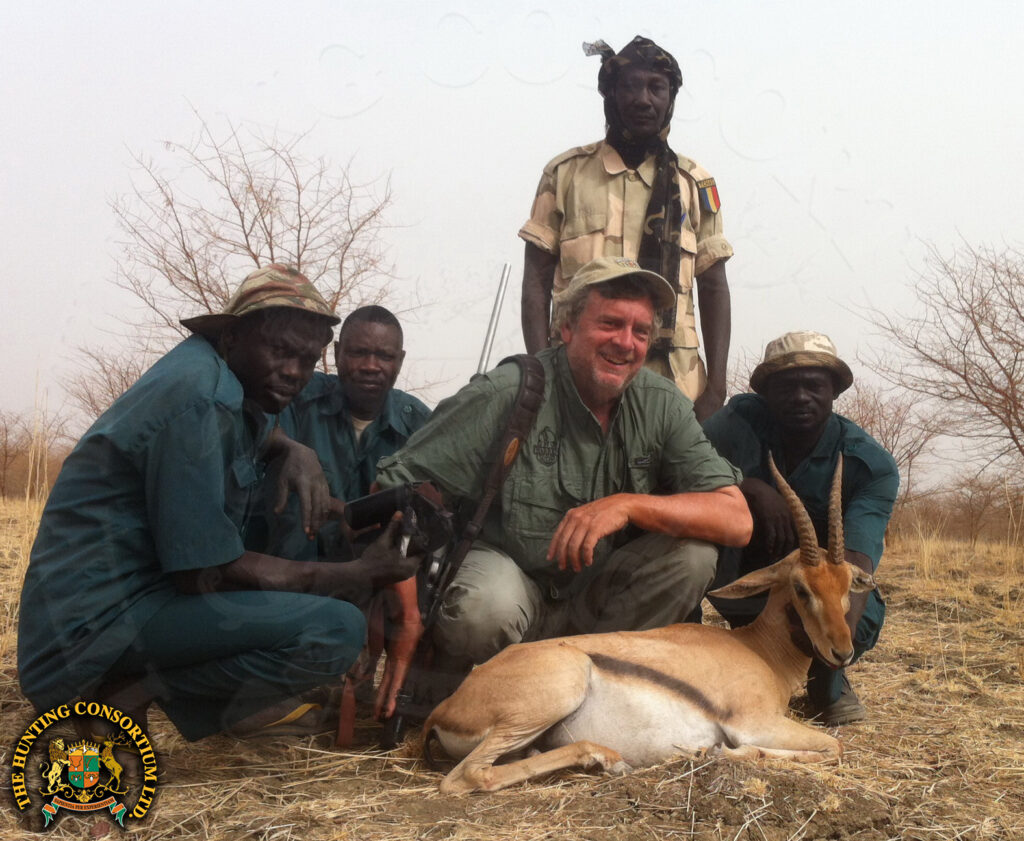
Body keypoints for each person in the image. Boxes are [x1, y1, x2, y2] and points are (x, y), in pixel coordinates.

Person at [17, 265, 419, 741]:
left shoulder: (220, 383)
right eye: (281, 351)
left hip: (120, 611)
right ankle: (126, 693)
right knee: (334, 630)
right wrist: (356, 575)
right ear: (232, 336)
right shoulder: (200, 399)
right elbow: (199, 573)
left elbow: (251, 434)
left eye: (308, 361)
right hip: (84, 640)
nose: (294, 373)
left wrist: (292, 448)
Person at [376, 256, 751, 674]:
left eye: (640, 331)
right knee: (484, 607)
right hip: (511, 594)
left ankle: (599, 687)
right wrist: (406, 619)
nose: (626, 343)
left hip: (597, 608)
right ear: (565, 327)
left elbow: (736, 519)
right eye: (610, 324)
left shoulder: (661, 402)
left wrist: (627, 505)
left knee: (694, 557)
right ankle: (485, 687)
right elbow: (392, 490)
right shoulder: (507, 390)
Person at [519, 35, 733, 421]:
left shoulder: (694, 183)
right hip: (575, 385)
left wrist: (715, 390)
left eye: (657, 88)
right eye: (631, 86)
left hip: (676, 390)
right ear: (611, 94)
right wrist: (540, 374)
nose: (643, 99)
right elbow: (535, 282)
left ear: (671, 99)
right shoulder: (564, 174)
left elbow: (714, 286)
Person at [702, 331, 898, 725]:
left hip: (822, 593)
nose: (801, 397)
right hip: (750, 579)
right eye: (787, 386)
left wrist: (833, 654)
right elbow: (686, 458)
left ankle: (826, 678)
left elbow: (857, 559)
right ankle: (696, 655)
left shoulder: (871, 463)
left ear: (835, 391)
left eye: (814, 385)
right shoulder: (738, 419)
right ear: (765, 392)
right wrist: (750, 487)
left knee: (862, 610)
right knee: (692, 550)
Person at [268, 305, 430, 562]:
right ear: (336, 353)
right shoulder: (300, 394)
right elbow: (256, 424)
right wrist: (291, 447)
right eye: (359, 353)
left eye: (385, 356)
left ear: (399, 360)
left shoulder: (420, 425)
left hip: (379, 577)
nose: (371, 366)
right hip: (291, 572)